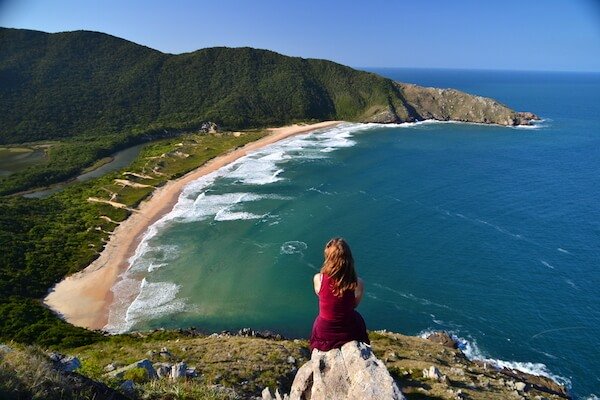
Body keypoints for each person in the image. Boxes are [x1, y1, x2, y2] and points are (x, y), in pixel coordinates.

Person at [309, 237, 370, 351]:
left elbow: (321, 295)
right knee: (358, 319)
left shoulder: (319, 279)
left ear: (328, 259)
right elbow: (353, 305)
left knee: (318, 321)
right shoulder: (358, 283)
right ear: (349, 259)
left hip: (325, 332)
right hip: (349, 330)